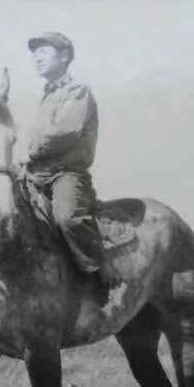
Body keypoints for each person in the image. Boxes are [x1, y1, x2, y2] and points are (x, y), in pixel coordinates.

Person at [25, 31, 120, 291]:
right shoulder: (47, 95)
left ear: (64, 56)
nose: (37, 58)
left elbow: (64, 133)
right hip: (38, 174)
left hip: (66, 173)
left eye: (44, 51)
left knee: (68, 218)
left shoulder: (77, 92)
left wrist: (31, 152)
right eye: (35, 53)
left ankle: (100, 274)